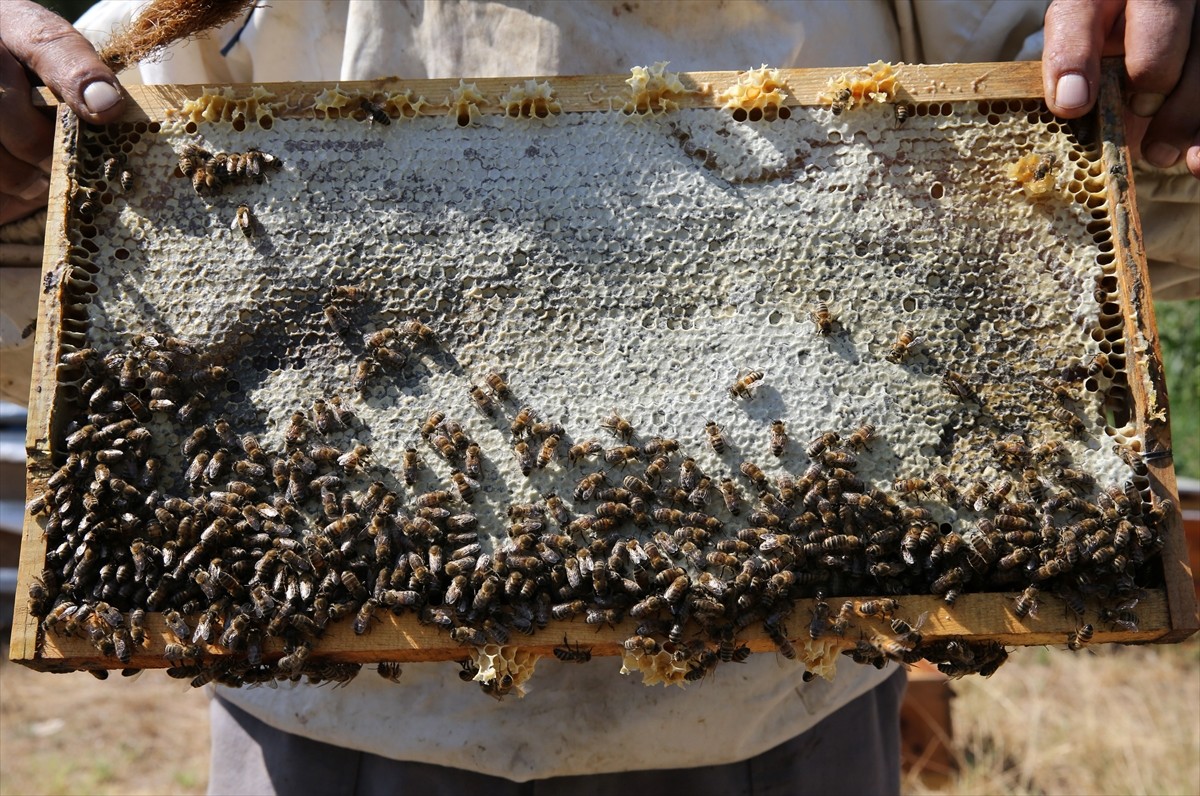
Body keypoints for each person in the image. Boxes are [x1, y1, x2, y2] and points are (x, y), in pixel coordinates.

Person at [1, 2, 1196, 794]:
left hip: (787, 704)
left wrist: (1160, 85)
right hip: (320, 709)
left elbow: (1091, 200)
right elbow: (70, 196)